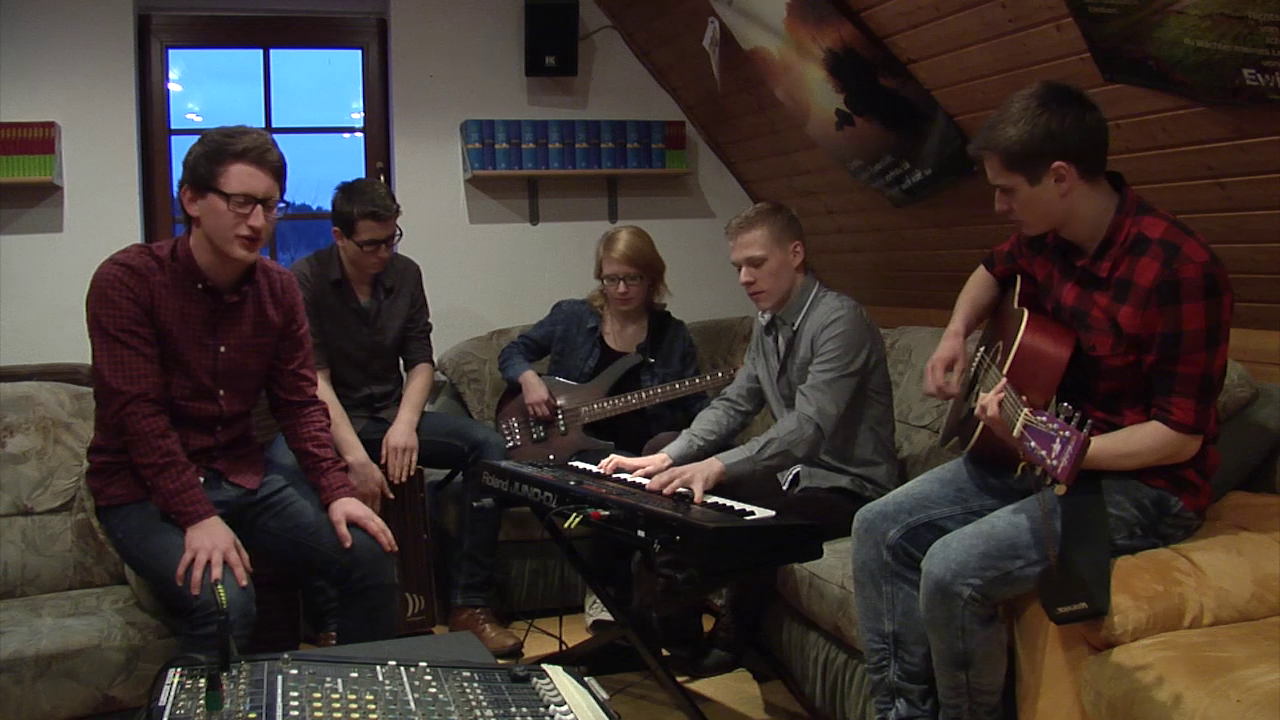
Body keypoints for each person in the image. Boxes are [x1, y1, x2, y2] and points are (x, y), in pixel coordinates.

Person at [850, 80, 1233, 719]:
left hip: (1145, 486)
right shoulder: (1044, 237)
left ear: (1060, 177)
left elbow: (1179, 435)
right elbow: (990, 270)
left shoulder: (1180, 270)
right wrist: (955, 333)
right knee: (875, 528)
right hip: (1045, 450)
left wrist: (1056, 447)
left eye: (1007, 190)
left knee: (952, 569)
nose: (998, 205)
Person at [85, 125, 399, 658]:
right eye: (240, 203)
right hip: (141, 490)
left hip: (239, 476)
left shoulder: (278, 289)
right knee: (225, 602)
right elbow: (139, 417)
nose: (257, 222)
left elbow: (298, 404)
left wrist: (336, 490)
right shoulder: (128, 280)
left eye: (269, 206)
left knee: (368, 555)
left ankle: (356, 694)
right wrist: (196, 515)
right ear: (192, 200)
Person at [601, 201, 899, 676]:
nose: (744, 278)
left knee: (731, 509)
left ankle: (715, 634)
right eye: (738, 267)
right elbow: (735, 404)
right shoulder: (768, 322)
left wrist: (716, 466)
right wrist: (670, 456)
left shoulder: (840, 322)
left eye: (756, 263)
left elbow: (807, 428)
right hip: (793, 475)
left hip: (846, 487)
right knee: (663, 450)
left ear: (796, 254)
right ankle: (668, 632)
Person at [282, 178, 522, 657]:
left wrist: (406, 424)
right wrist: (355, 458)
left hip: (390, 414)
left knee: (489, 446)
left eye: (391, 240)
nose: (383, 253)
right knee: (289, 468)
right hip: (332, 421)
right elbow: (315, 380)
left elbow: (420, 361)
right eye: (370, 244)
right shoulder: (304, 278)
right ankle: (329, 619)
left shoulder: (406, 274)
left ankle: (469, 604)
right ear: (339, 237)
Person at [498, 225, 707, 634]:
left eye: (633, 278)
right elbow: (513, 352)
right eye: (612, 279)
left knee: (663, 475)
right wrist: (528, 379)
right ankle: (607, 592)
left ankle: (671, 609)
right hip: (576, 448)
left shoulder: (671, 335)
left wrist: (717, 431)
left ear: (652, 278)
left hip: (647, 450)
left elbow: (695, 403)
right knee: (615, 482)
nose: (621, 289)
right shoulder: (573, 317)